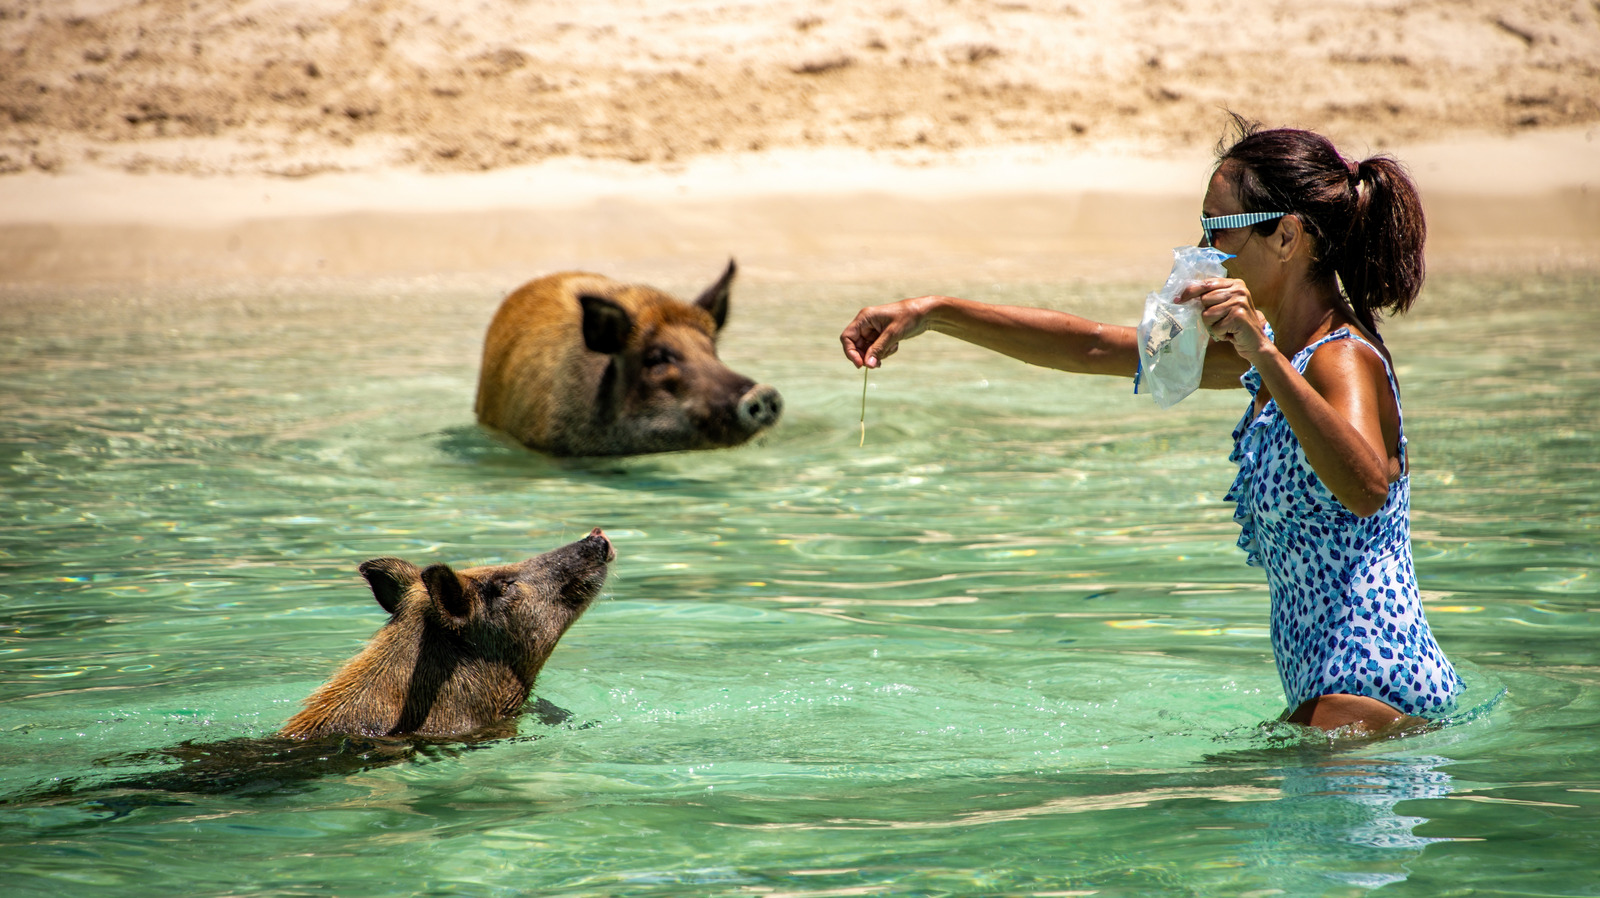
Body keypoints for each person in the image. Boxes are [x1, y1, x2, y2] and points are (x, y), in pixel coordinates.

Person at [838, 116, 1463, 735]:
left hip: (1365, 699)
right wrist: (936, 313)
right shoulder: (1276, 354)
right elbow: (1094, 348)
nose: (1203, 251)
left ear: (1287, 236)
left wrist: (1262, 353)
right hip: (1339, 700)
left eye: (1218, 230)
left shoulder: (1337, 356)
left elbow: (1365, 487)